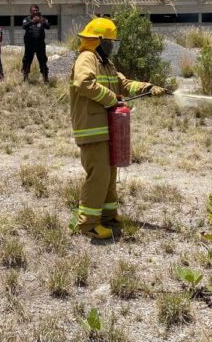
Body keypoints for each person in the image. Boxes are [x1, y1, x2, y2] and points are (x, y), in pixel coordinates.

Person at [69, 17, 167, 240]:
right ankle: (87, 225)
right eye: (110, 42)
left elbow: (123, 84)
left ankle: (108, 216)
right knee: (99, 175)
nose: (113, 47)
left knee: (110, 173)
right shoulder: (87, 58)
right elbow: (83, 83)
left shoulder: (106, 63)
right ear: (99, 41)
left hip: (105, 128)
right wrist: (113, 99)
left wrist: (149, 88)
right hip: (92, 129)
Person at [22, 4, 50, 83]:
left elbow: (48, 26)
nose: (35, 12)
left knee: (43, 60)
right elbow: (24, 26)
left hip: (40, 45)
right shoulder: (27, 19)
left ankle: (45, 78)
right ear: (30, 12)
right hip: (29, 45)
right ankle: (25, 77)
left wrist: (41, 21)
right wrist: (32, 21)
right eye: (33, 11)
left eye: (36, 10)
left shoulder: (43, 18)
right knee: (27, 60)